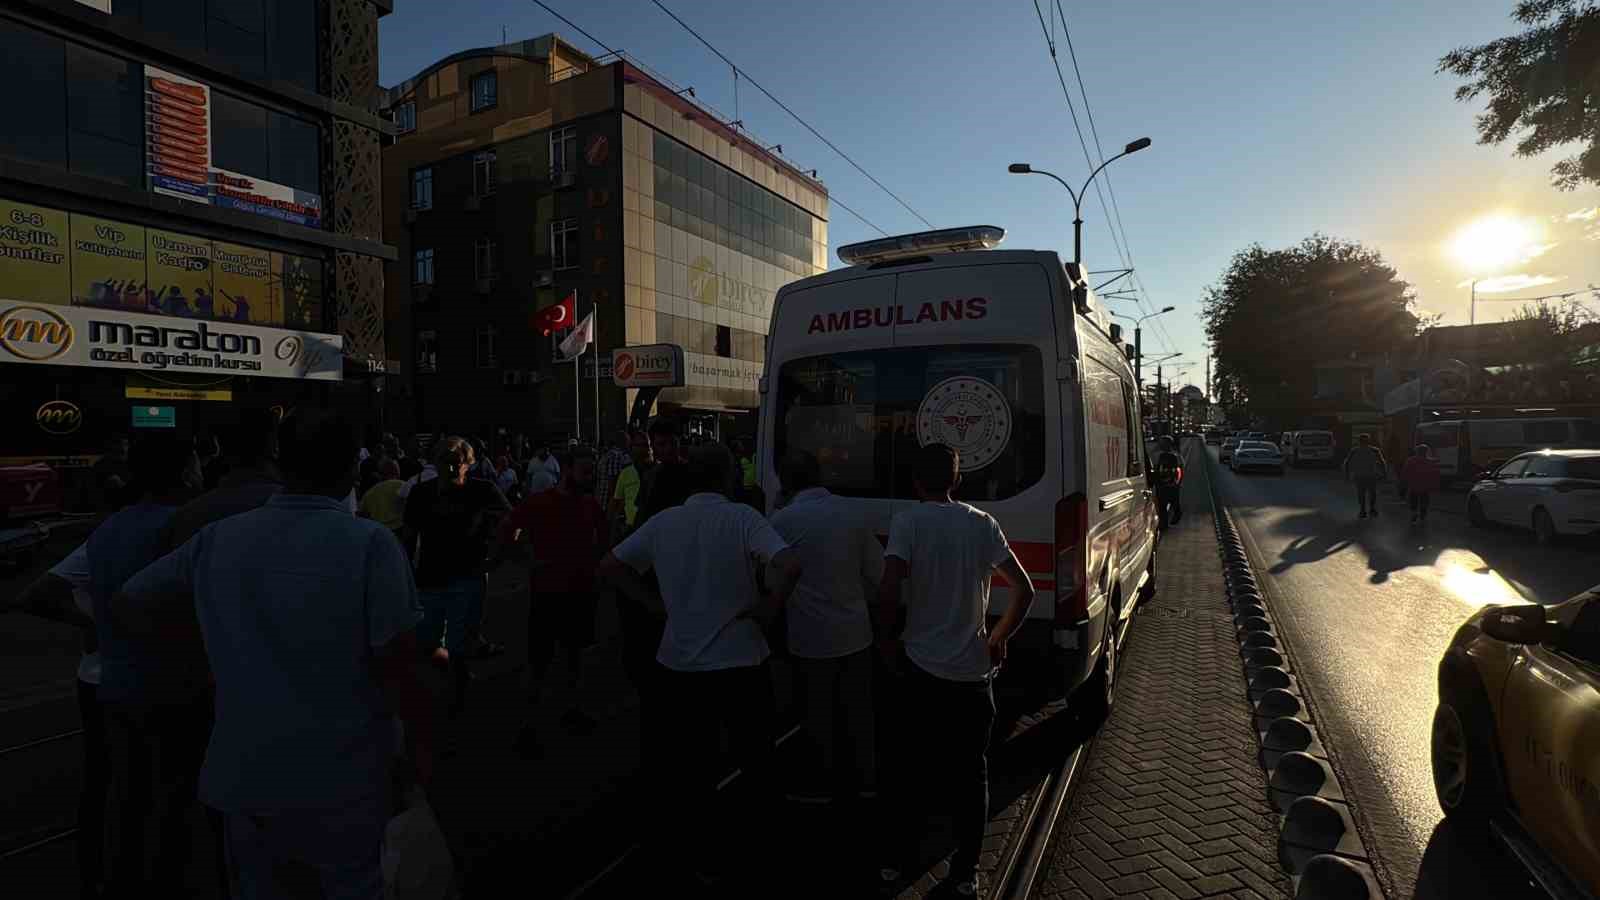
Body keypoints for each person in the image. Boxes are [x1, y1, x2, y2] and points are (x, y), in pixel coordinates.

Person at [117, 410, 435, 900]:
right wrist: (415, 758)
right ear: (352, 468)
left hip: (245, 777)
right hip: (343, 779)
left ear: (282, 464)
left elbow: (130, 602)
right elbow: (399, 665)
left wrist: (219, 633)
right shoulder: (370, 544)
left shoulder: (219, 538)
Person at [599, 444, 802, 885]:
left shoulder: (664, 522)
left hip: (680, 664)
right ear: (728, 477)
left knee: (691, 766)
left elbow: (611, 565)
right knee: (756, 760)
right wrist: (770, 606)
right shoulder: (744, 519)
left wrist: (654, 605)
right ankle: (761, 848)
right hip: (742, 661)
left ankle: (698, 856)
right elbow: (789, 563)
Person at [875, 443, 1037, 898]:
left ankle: (896, 861)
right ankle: (965, 873)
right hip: (971, 675)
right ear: (957, 480)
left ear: (915, 482)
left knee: (907, 770)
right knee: (971, 775)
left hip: (919, 670)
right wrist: (997, 638)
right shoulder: (981, 524)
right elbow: (1023, 592)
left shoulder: (907, 522)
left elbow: (890, 588)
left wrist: (887, 641)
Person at [87, 434, 206, 896]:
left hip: (117, 684)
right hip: (172, 686)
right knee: (174, 806)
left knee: (129, 801)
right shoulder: (180, 528)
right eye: (196, 464)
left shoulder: (109, 527)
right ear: (182, 473)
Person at [769, 449, 883, 805]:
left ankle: (821, 782)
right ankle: (866, 780)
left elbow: (771, 582)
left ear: (787, 484)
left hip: (809, 637)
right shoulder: (854, 514)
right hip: (855, 634)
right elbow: (878, 575)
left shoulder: (781, 522)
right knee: (859, 711)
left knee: (818, 714)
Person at [496, 448, 607, 755]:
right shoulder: (539, 503)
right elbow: (508, 529)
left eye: (592, 471)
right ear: (568, 469)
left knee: (574, 656)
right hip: (548, 595)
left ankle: (570, 710)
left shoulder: (591, 505)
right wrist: (525, 559)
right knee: (539, 663)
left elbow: (603, 542)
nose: (591, 477)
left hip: (581, 593)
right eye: (585, 471)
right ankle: (528, 726)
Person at [13, 542, 108, 900]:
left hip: (97, 676)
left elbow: (34, 596)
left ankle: (95, 872)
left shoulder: (102, 541)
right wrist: (93, 625)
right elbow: (34, 595)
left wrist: (89, 624)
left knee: (103, 779)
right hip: (120, 677)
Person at [402, 436, 510, 713]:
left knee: (459, 644)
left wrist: (496, 556)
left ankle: (455, 701)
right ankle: (455, 679)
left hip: (468, 576)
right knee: (427, 643)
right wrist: (405, 573)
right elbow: (409, 536)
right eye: (444, 463)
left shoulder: (482, 490)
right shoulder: (420, 493)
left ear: (468, 464)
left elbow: (512, 521)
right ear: (435, 463)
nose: (450, 469)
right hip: (429, 577)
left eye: (457, 463)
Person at [634, 418, 693, 527]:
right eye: (662, 444)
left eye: (673, 443)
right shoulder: (649, 476)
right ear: (653, 447)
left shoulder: (693, 473)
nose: (668, 449)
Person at [1343, 433, 1389, 519]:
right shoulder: (1375, 450)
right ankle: (1372, 509)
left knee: (1361, 493)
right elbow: (1382, 462)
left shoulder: (1354, 451)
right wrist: (1384, 473)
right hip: (1371, 475)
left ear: (1359, 441)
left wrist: (1347, 474)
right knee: (1372, 493)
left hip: (1359, 475)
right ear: (1369, 441)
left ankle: (1363, 510)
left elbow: (1347, 463)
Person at [359, 458, 408, 534]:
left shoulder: (369, 493)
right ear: (396, 471)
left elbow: (362, 515)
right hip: (401, 530)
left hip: (378, 532)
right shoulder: (404, 486)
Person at [1400, 443, 1441, 525]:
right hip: (1425, 485)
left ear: (1417, 451)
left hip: (1414, 484)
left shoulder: (1410, 460)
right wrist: (1435, 484)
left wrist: (1404, 481)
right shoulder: (1430, 461)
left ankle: (1414, 513)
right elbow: (1435, 474)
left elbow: (1405, 472)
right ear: (1426, 452)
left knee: (1413, 500)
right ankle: (1423, 514)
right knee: (1424, 500)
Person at [596, 429, 633, 515]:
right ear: (624, 442)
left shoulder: (608, 455)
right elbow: (613, 484)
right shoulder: (616, 456)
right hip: (608, 506)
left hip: (602, 504)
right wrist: (614, 509)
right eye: (628, 442)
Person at [1153, 436, 1184, 528]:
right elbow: (1181, 469)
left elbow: (1180, 469)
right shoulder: (1175, 455)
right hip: (1166, 483)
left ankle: (1167, 521)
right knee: (1166, 504)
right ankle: (1165, 523)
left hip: (1167, 483)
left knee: (1169, 503)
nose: (1162, 445)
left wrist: (1177, 482)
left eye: (1163, 443)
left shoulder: (1173, 455)